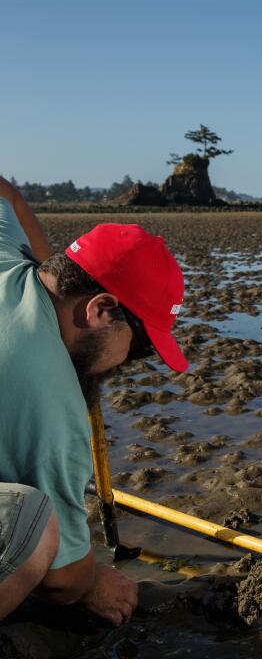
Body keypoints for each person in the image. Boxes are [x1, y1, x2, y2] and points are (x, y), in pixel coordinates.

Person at [0, 176, 188, 624]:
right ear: (100, 309)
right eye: (140, 346)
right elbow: (62, 577)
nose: (126, 363)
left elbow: (3, 190)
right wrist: (94, 583)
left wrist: (42, 259)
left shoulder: (8, 254)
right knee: (36, 528)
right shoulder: (55, 403)